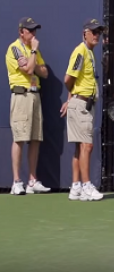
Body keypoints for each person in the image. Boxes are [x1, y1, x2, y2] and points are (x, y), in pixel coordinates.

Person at [60, 19, 105, 202]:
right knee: (87, 145)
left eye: (98, 32)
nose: (96, 35)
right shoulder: (80, 51)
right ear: (84, 33)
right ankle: (86, 185)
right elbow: (68, 79)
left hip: (84, 104)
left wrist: (72, 98)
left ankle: (76, 187)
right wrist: (75, 97)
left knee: (81, 146)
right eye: (93, 32)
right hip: (81, 105)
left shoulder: (90, 53)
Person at [6, 17, 50, 195]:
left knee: (35, 138)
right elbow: (29, 70)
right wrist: (33, 55)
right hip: (21, 95)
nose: (33, 34)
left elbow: (44, 72)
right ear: (21, 32)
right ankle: (17, 181)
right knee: (19, 138)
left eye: (35, 30)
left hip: (34, 95)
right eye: (30, 30)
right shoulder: (15, 48)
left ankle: (32, 180)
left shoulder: (34, 51)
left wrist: (33, 59)